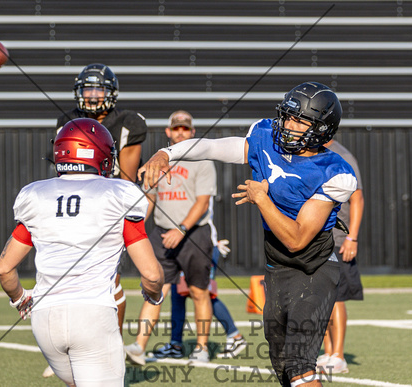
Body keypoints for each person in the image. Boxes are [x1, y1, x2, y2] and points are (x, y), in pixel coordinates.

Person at [139, 82, 357, 386]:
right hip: (277, 266)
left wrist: (263, 199)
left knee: (299, 368)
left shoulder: (335, 172)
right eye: (289, 116)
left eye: (301, 121)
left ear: (322, 130)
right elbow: (212, 148)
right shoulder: (265, 135)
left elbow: (297, 239)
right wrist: (166, 153)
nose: (290, 126)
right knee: (284, 368)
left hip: (314, 268)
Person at [0, 118, 163, 387]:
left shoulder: (36, 194)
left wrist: (19, 299)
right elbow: (152, 275)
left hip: (45, 319)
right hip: (92, 314)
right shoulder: (119, 192)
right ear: (101, 154)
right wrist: (154, 296)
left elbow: (4, 269)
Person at [56, 63, 147, 343]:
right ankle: (71, 343)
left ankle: (113, 344)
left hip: (108, 205)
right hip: (75, 203)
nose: (92, 95)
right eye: (87, 88)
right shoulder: (67, 120)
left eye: (98, 88)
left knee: (108, 278)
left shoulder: (129, 123)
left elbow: (126, 180)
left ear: (110, 92)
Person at [125, 110, 216, 365]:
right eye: (176, 128)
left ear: (192, 132)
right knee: (154, 289)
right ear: (168, 132)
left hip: (194, 234)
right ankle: (139, 347)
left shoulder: (202, 159)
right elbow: (150, 198)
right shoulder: (159, 160)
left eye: (185, 129)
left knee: (199, 292)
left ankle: (201, 348)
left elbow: (202, 203)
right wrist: (136, 227)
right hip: (162, 234)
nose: (180, 133)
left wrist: (181, 229)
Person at [149, 216, 247, 360]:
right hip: (181, 244)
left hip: (198, 243)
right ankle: (175, 344)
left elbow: (201, 207)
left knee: (202, 293)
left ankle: (235, 335)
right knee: (178, 293)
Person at [316, 139, 364, 374]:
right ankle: (327, 351)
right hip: (313, 238)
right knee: (319, 298)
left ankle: (339, 354)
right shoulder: (309, 152)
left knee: (336, 297)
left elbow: (357, 199)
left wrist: (351, 237)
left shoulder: (342, 156)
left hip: (336, 237)